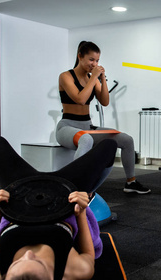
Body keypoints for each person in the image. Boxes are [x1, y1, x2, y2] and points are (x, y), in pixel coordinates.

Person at [0, 136, 118, 280]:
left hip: (20, 192)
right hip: (64, 195)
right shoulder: (75, 272)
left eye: (17, 263)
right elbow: (88, 254)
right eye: (38, 261)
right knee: (110, 146)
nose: (28, 254)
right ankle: (91, 191)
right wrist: (81, 210)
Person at [56, 41, 150, 194]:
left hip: (87, 126)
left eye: (97, 60)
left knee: (126, 139)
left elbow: (105, 101)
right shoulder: (66, 76)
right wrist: (93, 78)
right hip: (67, 127)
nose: (94, 64)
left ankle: (131, 183)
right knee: (86, 139)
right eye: (91, 59)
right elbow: (80, 99)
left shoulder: (91, 78)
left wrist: (102, 78)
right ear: (80, 56)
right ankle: (74, 186)